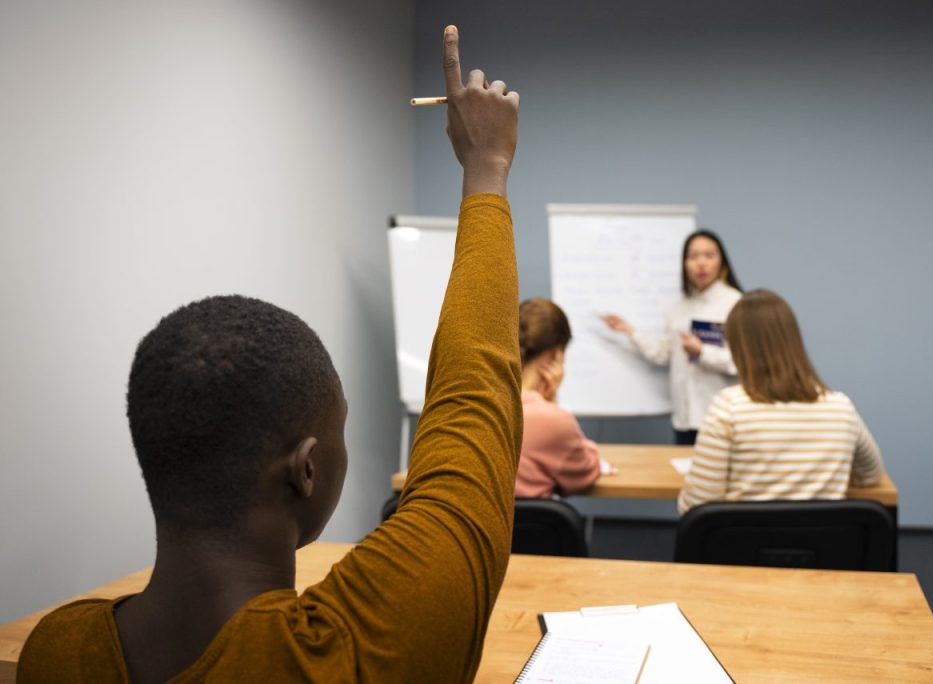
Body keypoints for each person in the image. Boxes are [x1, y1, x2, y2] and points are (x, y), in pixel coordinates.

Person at [18, 25, 521, 683]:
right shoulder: (358, 646)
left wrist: (484, 168)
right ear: (305, 470)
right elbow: (473, 401)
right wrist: (487, 165)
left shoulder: (55, 651)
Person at [677, 289, 884, 514]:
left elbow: (696, 506)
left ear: (738, 347)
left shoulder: (729, 408)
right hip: (822, 547)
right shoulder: (841, 408)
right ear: (793, 341)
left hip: (742, 547)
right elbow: (871, 475)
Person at [602, 229, 743, 445]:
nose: (701, 263)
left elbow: (741, 362)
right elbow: (663, 354)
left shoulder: (735, 304)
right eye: (693, 256)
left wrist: (702, 352)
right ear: (684, 264)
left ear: (722, 263)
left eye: (709, 255)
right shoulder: (679, 309)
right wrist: (629, 331)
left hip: (721, 418)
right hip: (684, 420)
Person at [516, 298, 601, 498]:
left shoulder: (482, 405)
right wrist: (551, 403)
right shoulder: (554, 419)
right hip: (530, 528)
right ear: (556, 355)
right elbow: (586, 472)